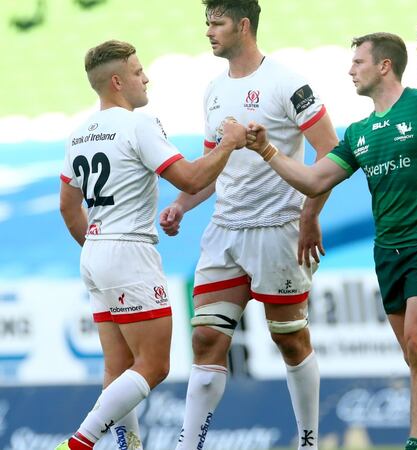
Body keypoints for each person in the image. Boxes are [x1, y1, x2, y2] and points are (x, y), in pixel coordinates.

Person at [247, 32, 417, 450]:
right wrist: (267, 149)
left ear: (384, 66)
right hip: (388, 252)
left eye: (358, 62)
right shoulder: (360, 131)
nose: (350, 70)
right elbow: (314, 179)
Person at [157, 1, 339, 449]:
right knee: (204, 339)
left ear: (243, 25)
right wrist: (182, 204)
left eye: (216, 23)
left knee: (291, 341)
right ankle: (189, 444)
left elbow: (332, 152)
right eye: (206, 23)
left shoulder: (287, 82)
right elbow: (212, 166)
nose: (208, 32)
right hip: (225, 229)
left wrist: (309, 215)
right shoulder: (214, 91)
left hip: (278, 229)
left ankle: (309, 441)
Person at [57, 39, 246, 450]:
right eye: (139, 71)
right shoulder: (140, 124)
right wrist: (229, 142)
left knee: (119, 367)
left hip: (96, 251)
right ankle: (80, 443)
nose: (147, 78)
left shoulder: (79, 134)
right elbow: (192, 180)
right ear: (118, 81)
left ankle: (128, 448)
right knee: (155, 366)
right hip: (130, 251)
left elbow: (68, 206)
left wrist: (96, 246)